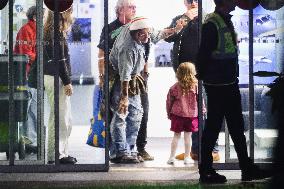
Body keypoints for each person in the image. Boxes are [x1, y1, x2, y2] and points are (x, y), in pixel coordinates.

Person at [196, 0, 271, 183]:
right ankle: (206, 171)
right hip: (218, 86)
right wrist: (206, 78)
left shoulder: (224, 21)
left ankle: (247, 169)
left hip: (228, 83)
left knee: (237, 128)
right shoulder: (213, 24)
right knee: (213, 128)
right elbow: (203, 55)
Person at [164, 0, 220, 162]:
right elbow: (168, 37)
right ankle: (195, 151)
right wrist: (185, 18)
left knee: (203, 110)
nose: (195, 3)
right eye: (192, 0)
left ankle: (210, 149)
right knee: (191, 112)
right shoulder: (181, 18)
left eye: (198, 0)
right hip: (185, 75)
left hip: (203, 73)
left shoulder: (208, 19)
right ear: (186, 3)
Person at [108, 17, 152, 163]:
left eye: (148, 34)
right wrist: (124, 97)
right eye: (144, 35)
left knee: (136, 115)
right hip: (122, 83)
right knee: (121, 115)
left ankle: (129, 150)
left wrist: (174, 30)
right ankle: (119, 152)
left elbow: (157, 35)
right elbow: (125, 75)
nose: (148, 38)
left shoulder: (138, 34)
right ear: (137, 34)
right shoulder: (128, 47)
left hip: (133, 81)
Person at [43, 8, 77, 164]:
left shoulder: (52, 31)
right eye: (70, 10)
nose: (72, 14)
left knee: (59, 117)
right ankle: (58, 154)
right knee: (61, 118)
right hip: (56, 78)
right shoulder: (56, 33)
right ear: (63, 14)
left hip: (53, 77)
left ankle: (57, 153)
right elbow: (61, 60)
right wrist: (67, 81)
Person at [166, 62, 203, 165]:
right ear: (193, 72)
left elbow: (169, 102)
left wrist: (169, 113)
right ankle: (187, 157)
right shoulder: (196, 86)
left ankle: (171, 157)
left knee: (176, 136)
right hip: (191, 116)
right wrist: (203, 111)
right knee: (188, 137)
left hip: (177, 115)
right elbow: (201, 100)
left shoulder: (174, 87)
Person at [14, 5, 38, 153]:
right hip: (27, 75)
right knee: (26, 109)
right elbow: (26, 54)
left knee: (33, 110)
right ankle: (26, 141)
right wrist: (41, 58)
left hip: (33, 75)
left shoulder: (34, 30)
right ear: (35, 16)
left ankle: (31, 140)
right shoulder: (26, 30)